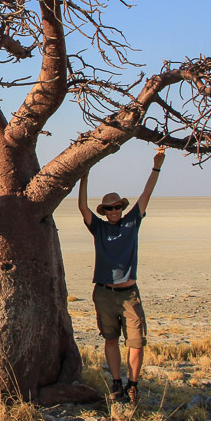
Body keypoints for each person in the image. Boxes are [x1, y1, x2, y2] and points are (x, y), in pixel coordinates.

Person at [77, 147, 165, 404]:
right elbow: (82, 207)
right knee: (111, 339)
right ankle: (116, 383)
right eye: (110, 208)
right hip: (104, 293)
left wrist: (156, 167)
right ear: (104, 211)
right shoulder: (99, 229)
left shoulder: (131, 223)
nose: (115, 211)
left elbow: (146, 194)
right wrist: (84, 176)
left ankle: (133, 384)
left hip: (129, 294)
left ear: (122, 208)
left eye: (117, 207)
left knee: (136, 342)